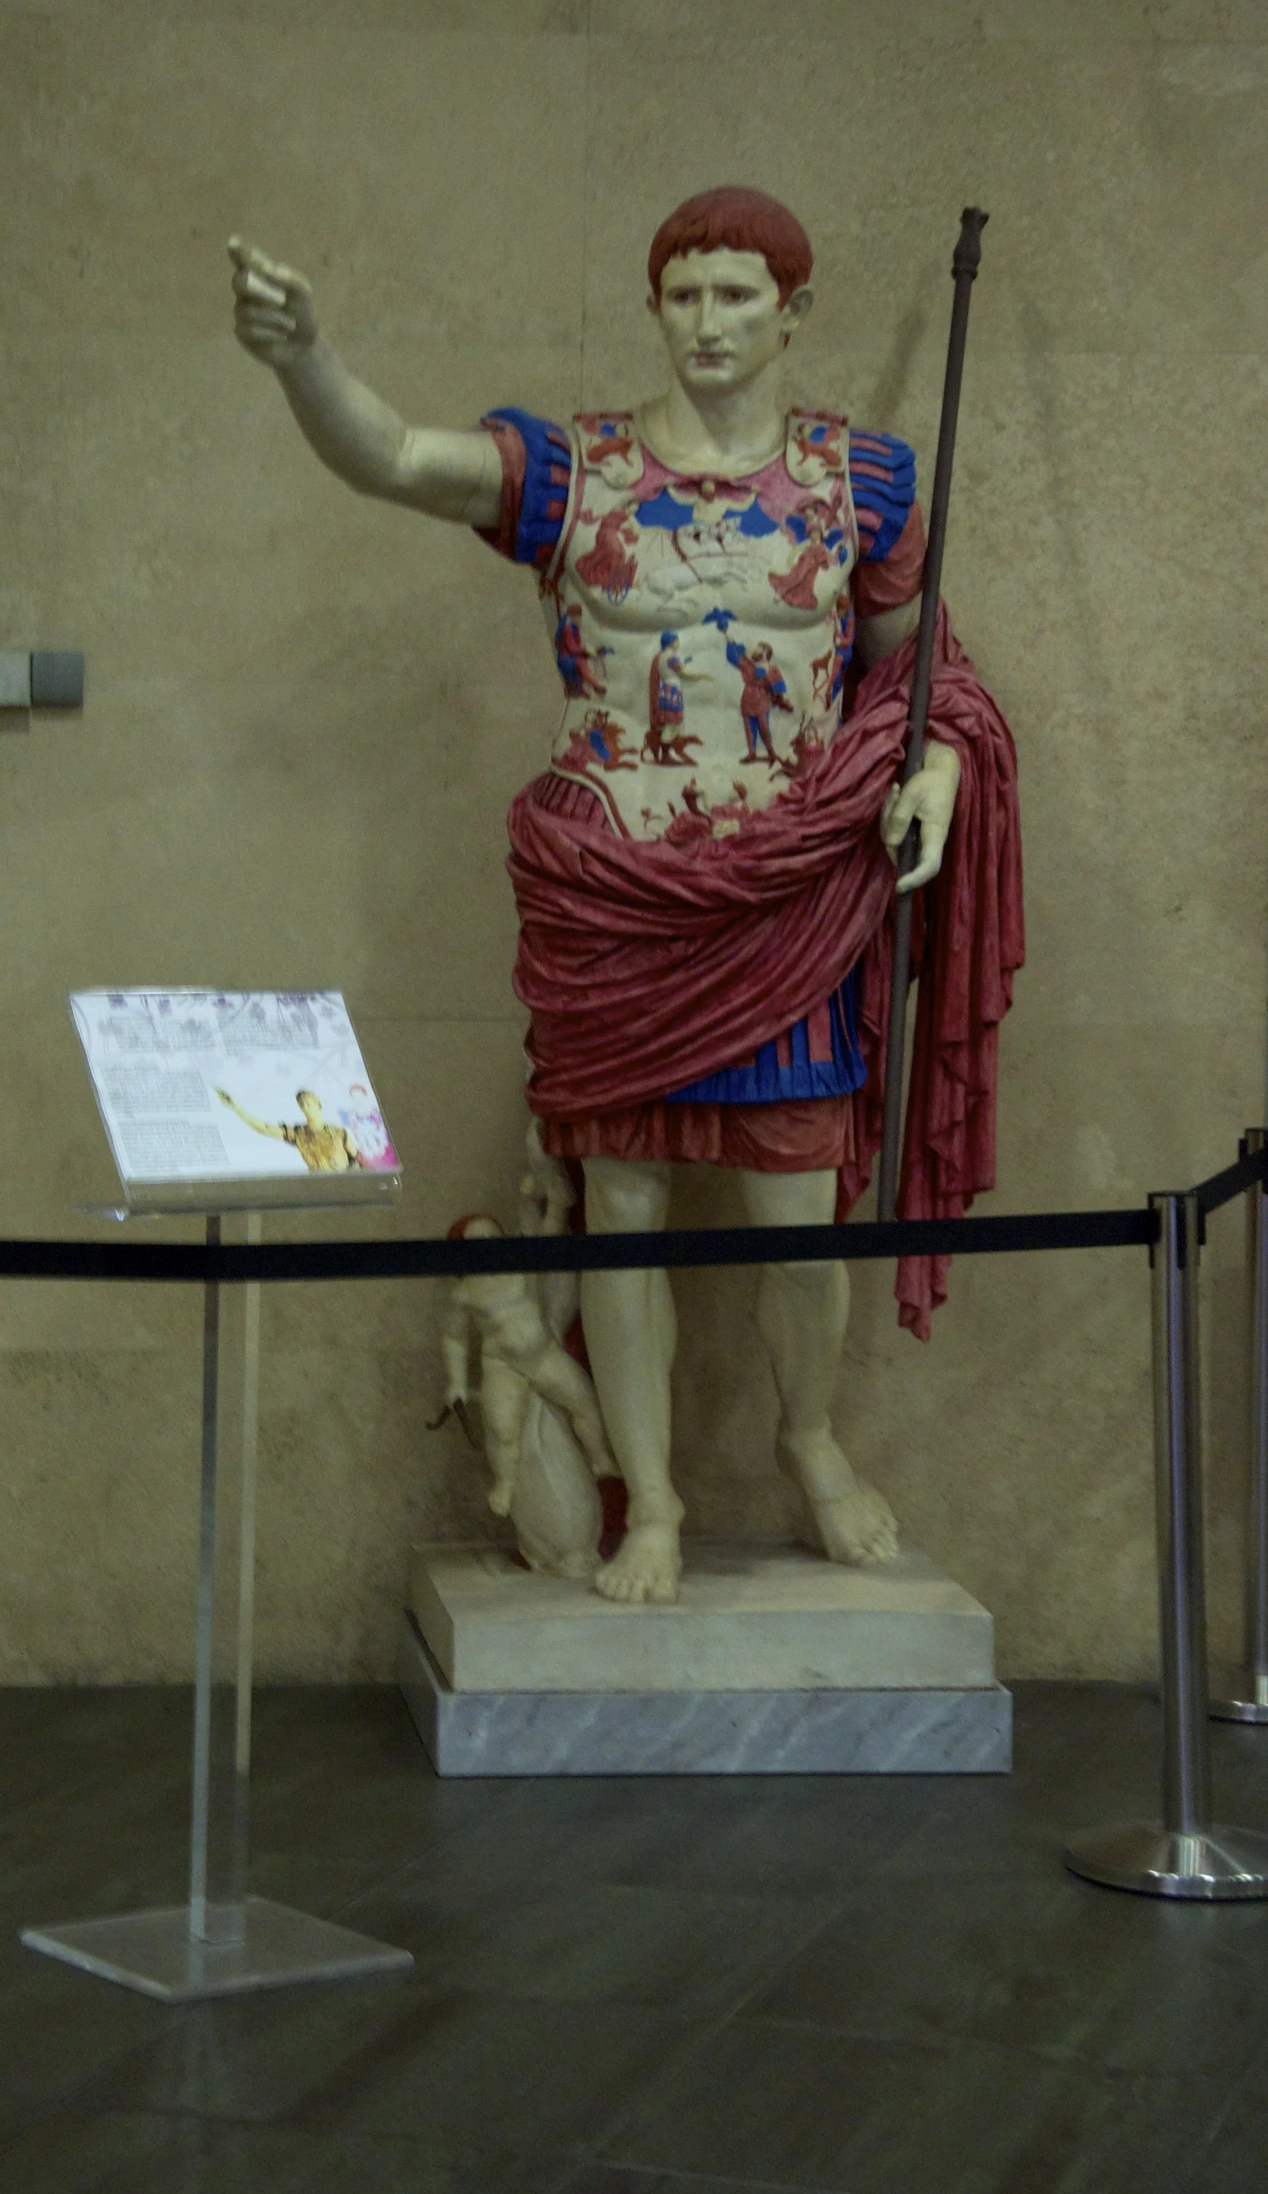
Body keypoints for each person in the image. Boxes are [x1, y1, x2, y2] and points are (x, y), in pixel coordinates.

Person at [228, 187, 1019, 1603]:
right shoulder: (575, 472)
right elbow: (398, 458)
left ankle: (810, 1439)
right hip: (615, 902)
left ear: (792, 309)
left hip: (785, 895)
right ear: (654, 306)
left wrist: (942, 775)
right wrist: (304, 359)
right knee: (624, 1214)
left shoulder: (861, 481)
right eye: (683, 294)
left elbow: (921, 674)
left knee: (798, 1214)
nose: (707, 321)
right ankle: (650, 1498)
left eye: (735, 294)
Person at [216, 1086, 361, 1174]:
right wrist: (237, 1109)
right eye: (302, 1104)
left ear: (318, 1105)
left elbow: (354, 1159)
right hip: (320, 1188)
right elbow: (264, 1128)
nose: (306, 1107)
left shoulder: (339, 1133)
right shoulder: (298, 1134)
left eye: (309, 1103)